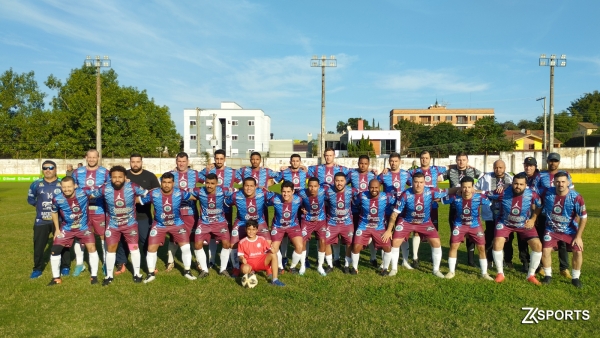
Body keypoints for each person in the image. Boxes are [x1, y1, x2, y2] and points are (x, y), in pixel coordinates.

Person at [387, 173, 459, 278]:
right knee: (395, 242)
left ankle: (435, 270)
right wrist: (389, 230)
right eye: (416, 182)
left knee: (436, 242)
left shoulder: (430, 191)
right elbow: (394, 214)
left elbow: (448, 191)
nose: (418, 185)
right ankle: (394, 269)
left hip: (424, 222)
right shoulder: (405, 194)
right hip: (407, 221)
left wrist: (462, 188)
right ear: (412, 183)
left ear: (424, 183)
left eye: (421, 182)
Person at [86, 166, 148, 286]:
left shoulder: (133, 186)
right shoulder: (104, 188)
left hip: (130, 224)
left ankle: (137, 273)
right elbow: (91, 195)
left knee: (134, 249)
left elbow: (148, 194)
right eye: (114, 177)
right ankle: (109, 276)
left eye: (120, 177)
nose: (117, 179)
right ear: (110, 178)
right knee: (111, 249)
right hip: (113, 225)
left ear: (125, 177)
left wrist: (139, 201)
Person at [483, 173, 544, 285]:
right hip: (504, 223)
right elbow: (484, 194)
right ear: (511, 183)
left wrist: (533, 219)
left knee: (538, 246)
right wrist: (463, 191)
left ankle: (531, 275)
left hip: (523, 224)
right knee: (497, 243)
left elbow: (539, 206)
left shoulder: (532, 194)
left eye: (521, 184)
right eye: (515, 183)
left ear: (526, 185)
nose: (518, 186)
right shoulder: (502, 193)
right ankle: (500, 273)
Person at [140, 172, 197, 283]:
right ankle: (151, 274)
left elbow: (194, 197)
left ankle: (187, 271)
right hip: (159, 225)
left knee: (185, 247)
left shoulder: (179, 193)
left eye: (169, 182)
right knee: (151, 249)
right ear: (161, 183)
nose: (166, 185)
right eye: (164, 182)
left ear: (173, 183)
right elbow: (139, 200)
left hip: (177, 224)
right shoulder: (154, 194)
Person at [47, 176, 99, 285]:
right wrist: (57, 229)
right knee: (54, 250)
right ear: (61, 187)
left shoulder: (84, 193)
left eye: (69, 187)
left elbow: (100, 190)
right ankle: (56, 278)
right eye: (64, 187)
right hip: (67, 228)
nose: (67, 189)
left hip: (84, 227)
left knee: (92, 247)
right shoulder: (57, 199)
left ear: (75, 186)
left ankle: (94, 276)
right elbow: (54, 212)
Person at [114, 153, 160, 275]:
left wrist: (138, 200)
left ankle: (149, 264)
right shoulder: (124, 176)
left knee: (145, 240)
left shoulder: (150, 176)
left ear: (141, 162)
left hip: (143, 215)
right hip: (125, 216)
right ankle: (121, 263)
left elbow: (156, 195)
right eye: (133, 162)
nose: (135, 164)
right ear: (130, 162)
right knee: (123, 240)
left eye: (137, 162)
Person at [539, 172, 587, 288]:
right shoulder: (547, 193)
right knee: (545, 251)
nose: (560, 184)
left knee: (578, 251)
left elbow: (583, 217)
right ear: (554, 182)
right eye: (558, 182)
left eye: (563, 182)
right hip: (551, 229)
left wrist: (578, 237)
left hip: (570, 231)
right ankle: (548, 275)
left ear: (568, 183)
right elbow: (534, 198)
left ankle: (575, 278)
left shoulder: (576, 197)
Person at [441, 177, 493, 280]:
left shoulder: (480, 197)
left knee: (481, 248)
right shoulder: (455, 197)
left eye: (469, 187)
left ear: (473, 187)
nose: (467, 190)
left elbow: (492, 199)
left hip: (475, 225)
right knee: (453, 246)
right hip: (459, 225)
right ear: (460, 187)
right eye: (464, 187)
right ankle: (451, 271)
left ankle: (484, 273)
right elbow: (440, 199)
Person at [27, 160, 71, 279]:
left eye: (51, 168)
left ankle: (65, 266)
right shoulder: (36, 184)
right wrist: (39, 205)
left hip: (61, 221)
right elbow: (30, 198)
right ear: (42, 170)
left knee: (64, 244)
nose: (48, 170)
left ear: (55, 169)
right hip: (41, 221)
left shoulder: (62, 183)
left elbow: (71, 196)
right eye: (45, 168)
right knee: (39, 245)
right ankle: (37, 268)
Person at [308, 148, 351, 266]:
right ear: (323, 156)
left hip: (336, 203)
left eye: (330, 155)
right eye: (326, 155)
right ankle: (320, 255)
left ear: (334, 156)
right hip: (321, 203)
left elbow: (356, 171)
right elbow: (304, 171)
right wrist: (301, 166)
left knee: (336, 231)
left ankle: (336, 258)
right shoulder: (317, 168)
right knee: (322, 232)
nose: (328, 158)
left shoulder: (341, 169)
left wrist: (376, 170)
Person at [535, 152, 574, 279]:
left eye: (555, 161)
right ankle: (542, 266)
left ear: (559, 162)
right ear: (547, 161)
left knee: (562, 241)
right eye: (551, 160)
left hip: (561, 214)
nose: (553, 163)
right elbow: (534, 193)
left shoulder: (566, 175)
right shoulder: (540, 175)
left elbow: (571, 192)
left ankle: (564, 268)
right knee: (543, 240)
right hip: (544, 214)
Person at [198, 149, 238, 270]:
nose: (219, 161)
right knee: (212, 235)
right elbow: (197, 177)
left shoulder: (231, 171)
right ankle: (211, 260)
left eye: (221, 159)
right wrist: (206, 169)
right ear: (214, 158)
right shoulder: (209, 170)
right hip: (210, 208)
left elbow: (248, 179)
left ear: (225, 159)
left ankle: (230, 261)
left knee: (227, 235)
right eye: (217, 159)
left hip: (226, 208)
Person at [407, 150, 447, 268]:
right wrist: (387, 170)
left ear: (430, 159)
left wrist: (468, 165)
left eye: (426, 158)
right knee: (417, 231)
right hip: (418, 205)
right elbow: (400, 173)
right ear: (420, 159)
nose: (424, 160)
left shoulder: (436, 169)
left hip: (433, 205)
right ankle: (415, 257)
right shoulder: (414, 171)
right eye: (422, 158)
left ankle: (431, 255)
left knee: (432, 231)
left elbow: (450, 166)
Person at [72, 150, 110, 274]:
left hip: (100, 209)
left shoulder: (105, 173)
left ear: (98, 158)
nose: (92, 159)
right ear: (86, 157)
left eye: (94, 157)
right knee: (79, 236)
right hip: (81, 211)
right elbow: (71, 189)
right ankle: (79, 264)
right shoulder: (77, 172)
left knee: (103, 236)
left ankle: (105, 263)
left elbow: (109, 189)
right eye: (90, 157)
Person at [190, 173, 235, 277]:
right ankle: (204, 270)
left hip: (219, 222)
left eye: (212, 183)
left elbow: (240, 190)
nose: (209, 186)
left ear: (217, 184)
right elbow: (183, 192)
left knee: (226, 244)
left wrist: (260, 188)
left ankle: (223, 269)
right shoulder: (199, 191)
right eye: (207, 183)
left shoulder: (223, 190)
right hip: (204, 223)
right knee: (197, 245)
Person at [443, 151, 483, 267]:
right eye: (459, 160)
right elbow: (438, 178)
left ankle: (470, 260)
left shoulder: (473, 171)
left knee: (471, 234)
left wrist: (476, 189)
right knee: (455, 234)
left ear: (467, 160)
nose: (461, 162)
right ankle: (453, 260)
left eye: (463, 160)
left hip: (472, 207)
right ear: (456, 160)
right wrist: (449, 191)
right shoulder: (451, 171)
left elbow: (485, 178)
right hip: (455, 207)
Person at [226, 177, 273, 273]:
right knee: (233, 245)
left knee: (268, 243)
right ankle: (236, 267)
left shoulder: (262, 193)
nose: (249, 188)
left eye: (251, 186)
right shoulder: (236, 196)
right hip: (241, 222)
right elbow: (225, 203)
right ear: (242, 186)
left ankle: (266, 266)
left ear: (256, 186)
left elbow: (278, 199)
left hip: (259, 222)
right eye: (246, 185)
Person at [473, 160, 515, 269]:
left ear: (505, 168)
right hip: (490, 213)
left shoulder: (510, 179)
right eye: (496, 167)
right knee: (490, 236)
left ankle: (508, 260)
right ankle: (489, 260)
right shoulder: (486, 177)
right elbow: (475, 189)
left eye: (501, 167)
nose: (498, 169)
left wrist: (509, 185)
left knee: (508, 238)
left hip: (506, 214)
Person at [167, 152, 202, 271]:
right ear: (176, 162)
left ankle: (198, 262)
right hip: (174, 211)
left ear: (188, 162)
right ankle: (170, 262)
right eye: (179, 161)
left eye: (183, 161)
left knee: (194, 237)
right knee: (173, 238)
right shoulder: (170, 174)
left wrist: (211, 166)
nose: (181, 164)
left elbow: (209, 181)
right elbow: (161, 188)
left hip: (191, 211)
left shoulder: (195, 174)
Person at [273, 153, 309, 269]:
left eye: (297, 161)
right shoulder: (284, 172)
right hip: (285, 204)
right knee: (283, 231)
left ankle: (305, 258)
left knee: (303, 233)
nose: (295, 163)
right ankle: (283, 257)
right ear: (290, 161)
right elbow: (273, 182)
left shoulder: (305, 172)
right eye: (293, 161)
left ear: (300, 162)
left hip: (301, 204)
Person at [353, 179, 395, 276]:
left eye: (376, 187)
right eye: (371, 187)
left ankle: (385, 269)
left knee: (387, 247)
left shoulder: (386, 197)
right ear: (368, 188)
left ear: (380, 188)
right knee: (356, 247)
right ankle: (354, 268)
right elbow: (354, 204)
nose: (374, 190)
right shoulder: (362, 195)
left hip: (379, 227)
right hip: (364, 226)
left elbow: (397, 205)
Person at [378, 152, 411, 269]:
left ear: (400, 162)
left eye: (396, 161)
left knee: (404, 236)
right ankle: (384, 262)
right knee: (385, 235)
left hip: (402, 210)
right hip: (387, 209)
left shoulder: (406, 175)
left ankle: (405, 261)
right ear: (388, 162)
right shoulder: (383, 175)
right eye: (391, 161)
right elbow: (373, 185)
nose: (393, 163)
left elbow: (415, 185)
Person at [347, 155, 378, 267]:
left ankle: (373, 257)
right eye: (361, 163)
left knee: (371, 234)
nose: (363, 165)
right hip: (354, 209)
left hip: (370, 210)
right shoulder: (352, 174)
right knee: (355, 233)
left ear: (368, 164)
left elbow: (378, 189)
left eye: (365, 163)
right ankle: (354, 256)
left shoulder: (373, 175)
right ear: (358, 163)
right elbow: (341, 185)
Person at [323, 172, 357, 273]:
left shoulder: (352, 191)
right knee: (326, 242)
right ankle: (330, 265)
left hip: (347, 222)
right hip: (332, 222)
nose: (339, 183)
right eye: (337, 181)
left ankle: (347, 265)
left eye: (341, 181)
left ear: (346, 181)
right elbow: (318, 201)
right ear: (333, 181)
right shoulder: (328, 192)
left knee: (350, 243)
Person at [267, 181, 304, 274]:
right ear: (281, 191)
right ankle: (279, 267)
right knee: (274, 249)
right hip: (277, 226)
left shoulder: (298, 199)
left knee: (300, 246)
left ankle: (292, 267)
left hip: (293, 225)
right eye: (284, 191)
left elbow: (307, 203)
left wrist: (305, 208)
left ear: (293, 191)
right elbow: (263, 199)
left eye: (288, 191)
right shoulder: (274, 199)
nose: (286, 194)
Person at [238, 220, 285, 287]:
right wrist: (242, 259)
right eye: (249, 229)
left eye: (253, 229)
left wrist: (273, 250)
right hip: (249, 263)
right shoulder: (242, 242)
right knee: (244, 268)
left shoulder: (262, 239)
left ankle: (275, 280)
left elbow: (270, 251)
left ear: (257, 230)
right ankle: (250, 276)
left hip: (261, 262)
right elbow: (240, 256)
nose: (251, 232)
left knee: (273, 254)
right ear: (246, 229)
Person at [515, 156, 541, 272]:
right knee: (522, 239)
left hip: (538, 212)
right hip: (522, 213)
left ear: (535, 166)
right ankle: (524, 262)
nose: (528, 167)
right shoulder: (520, 176)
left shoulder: (540, 177)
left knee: (537, 238)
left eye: (530, 165)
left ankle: (538, 265)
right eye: (526, 165)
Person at [297, 177, 328, 275]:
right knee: (303, 241)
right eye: (310, 186)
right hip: (307, 220)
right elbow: (293, 200)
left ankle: (320, 266)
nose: (312, 188)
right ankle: (302, 266)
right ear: (307, 186)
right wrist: (301, 207)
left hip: (320, 220)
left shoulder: (323, 191)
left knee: (323, 241)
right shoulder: (301, 193)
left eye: (315, 186)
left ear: (319, 186)